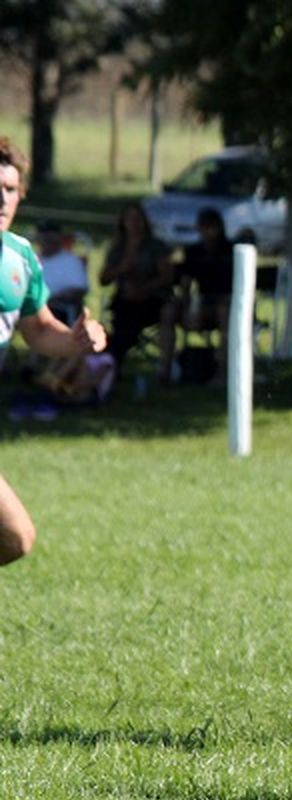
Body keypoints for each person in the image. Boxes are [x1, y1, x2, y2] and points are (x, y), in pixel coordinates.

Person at [0, 136, 108, 563]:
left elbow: (40, 329)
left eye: (10, 189)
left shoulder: (21, 259)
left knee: (16, 538)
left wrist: (76, 340)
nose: (1, 197)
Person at [99, 201, 175, 383]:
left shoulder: (156, 246)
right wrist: (121, 269)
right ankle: (111, 365)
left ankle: (164, 370)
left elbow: (167, 276)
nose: (134, 223)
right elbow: (103, 279)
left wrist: (144, 288)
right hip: (124, 300)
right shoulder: (118, 248)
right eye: (130, 219)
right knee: (123, 324)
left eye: (138, 218)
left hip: (153, 299)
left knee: (135, 322)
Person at [176, 207, 235, 383]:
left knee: (224, 311)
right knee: (169, 311)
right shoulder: (194, 252)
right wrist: (185, 304)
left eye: (211, 227)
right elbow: (186, 283)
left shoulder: (231, 251)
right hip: (202, 303)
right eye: (204, 227)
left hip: (228, 303)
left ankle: (223, 371)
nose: (208, 232)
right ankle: (168, 371)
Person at [36, 219, 88, 325]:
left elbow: (78, 290)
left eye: (52, 234)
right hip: (32, 309)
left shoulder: (72, 261)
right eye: (44, 234)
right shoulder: (32, 259)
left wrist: (50, 300)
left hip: (59, 310)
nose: (47, 239)